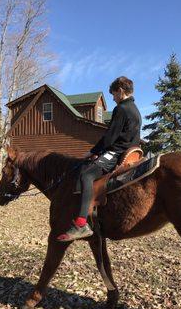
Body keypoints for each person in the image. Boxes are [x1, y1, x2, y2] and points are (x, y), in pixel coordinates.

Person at [57, 76, 142, 242]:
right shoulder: (135, 109)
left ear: (121, 91)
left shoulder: (122, 109)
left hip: (116, 153)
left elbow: (110, 137)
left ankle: (81, 223)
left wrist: (93, 151)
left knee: (85, 174)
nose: (113, 98)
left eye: (114, 94)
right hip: (129, 150)